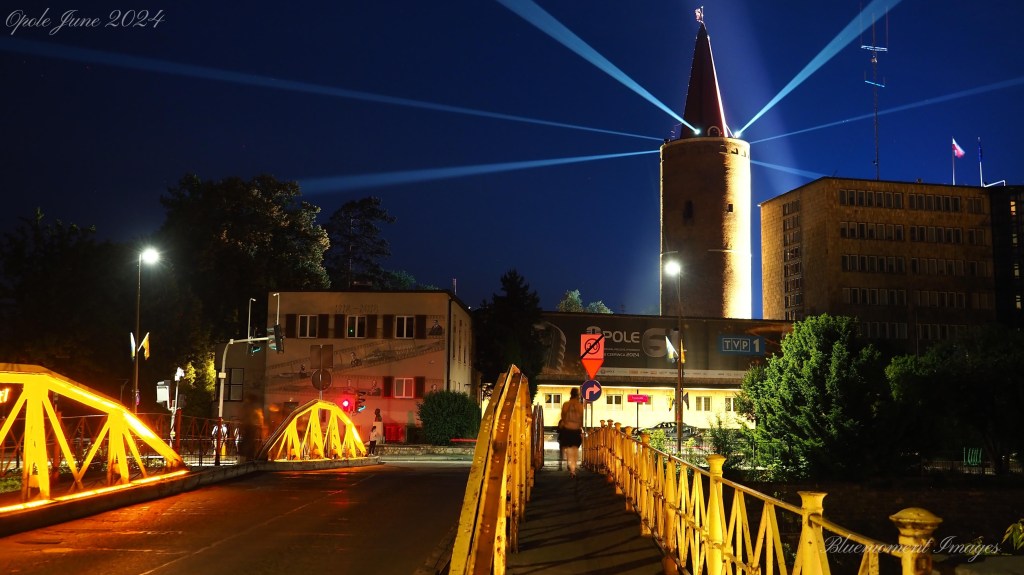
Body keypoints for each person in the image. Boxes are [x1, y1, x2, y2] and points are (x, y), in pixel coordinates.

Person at [558, 387, 585, 478]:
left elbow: (563, 416)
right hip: (576, 430)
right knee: (575, 449)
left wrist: (565, 423)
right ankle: (573, 469)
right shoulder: (580, 406)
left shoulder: (566, 404)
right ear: (577, 395)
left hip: (567, 429)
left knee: (569, 450)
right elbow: (581, 419)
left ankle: (571, 466)